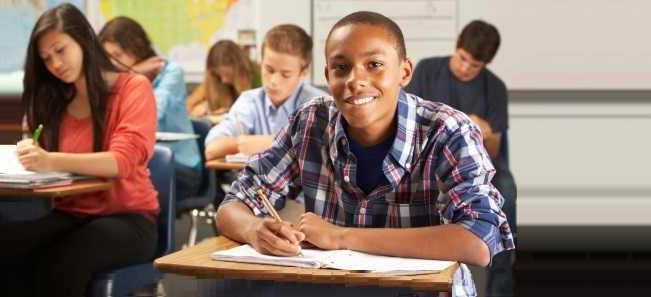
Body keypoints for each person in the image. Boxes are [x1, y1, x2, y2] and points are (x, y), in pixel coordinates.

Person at [213, 11, 514, 297]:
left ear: (405, 71)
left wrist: (342, 236)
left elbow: (479, 241)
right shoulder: (310, 123)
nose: (355, 81)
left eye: (374, 65)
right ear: (327, 74)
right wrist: (254, 229)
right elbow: (234, 204)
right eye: (341, 68)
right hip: (332, 289)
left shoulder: (449, 131)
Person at [0, 4, 158, 297]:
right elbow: (49, 169)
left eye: (60, 50)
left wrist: (49, 160)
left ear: (83, 40)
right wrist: (34, 156)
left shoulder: (133, 88)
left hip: (128, 220)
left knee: (63, 260)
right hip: (71, 215)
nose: (55, 64)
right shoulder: (57, 99)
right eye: (46, 59)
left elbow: (121, 162)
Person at [405, 19, 517, 297]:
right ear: (457, 46)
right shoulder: (428, 70)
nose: (466, 68)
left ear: (486, 65)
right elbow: (408, 123)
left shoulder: (495, 87)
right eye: (463, 59)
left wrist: (486, 133)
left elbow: (494, 150)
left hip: (478, 164)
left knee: (507, 192)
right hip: (430, 158)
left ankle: (499, 283)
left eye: (475, 66)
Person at [99, 16, 202, 200]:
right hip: (142, 164)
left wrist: (133, 76)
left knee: (126, 183)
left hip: (180, 166)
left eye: (117, 55)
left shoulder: (171, 72)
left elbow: (151, 114)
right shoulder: (113, 82)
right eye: (106, 57)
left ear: (136, 50)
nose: (112, 64)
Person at [204, 24, 327, 161]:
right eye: (269, 69)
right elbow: (211, 148)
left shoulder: (319, 105)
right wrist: (241, 143)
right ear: (261, 62)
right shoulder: (249, 101)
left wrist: (270, 143)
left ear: (304, 72)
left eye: (285, 74)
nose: (274, 81)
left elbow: (328, 152)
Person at [187, 40, 261, 118]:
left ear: (239, 68)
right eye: (218, 75)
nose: (223, 80)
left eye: (227, 74)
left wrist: (229, 112)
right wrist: (205, 107)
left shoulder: (258, 77)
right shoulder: (214, 81)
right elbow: (189, 106)